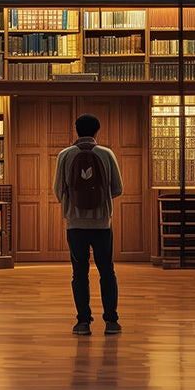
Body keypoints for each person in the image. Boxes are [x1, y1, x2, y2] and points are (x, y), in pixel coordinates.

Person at [53, 113, 124, 336]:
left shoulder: (65, 155)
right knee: (107, 271)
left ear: (76, 130)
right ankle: (111, 321)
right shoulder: (106, 154)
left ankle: (83, 322)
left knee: (79, 273)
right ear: (97, 131)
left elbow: (58, 190)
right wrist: (100, 202)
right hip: (102, 224)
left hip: (75, 225)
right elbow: (118, 188)